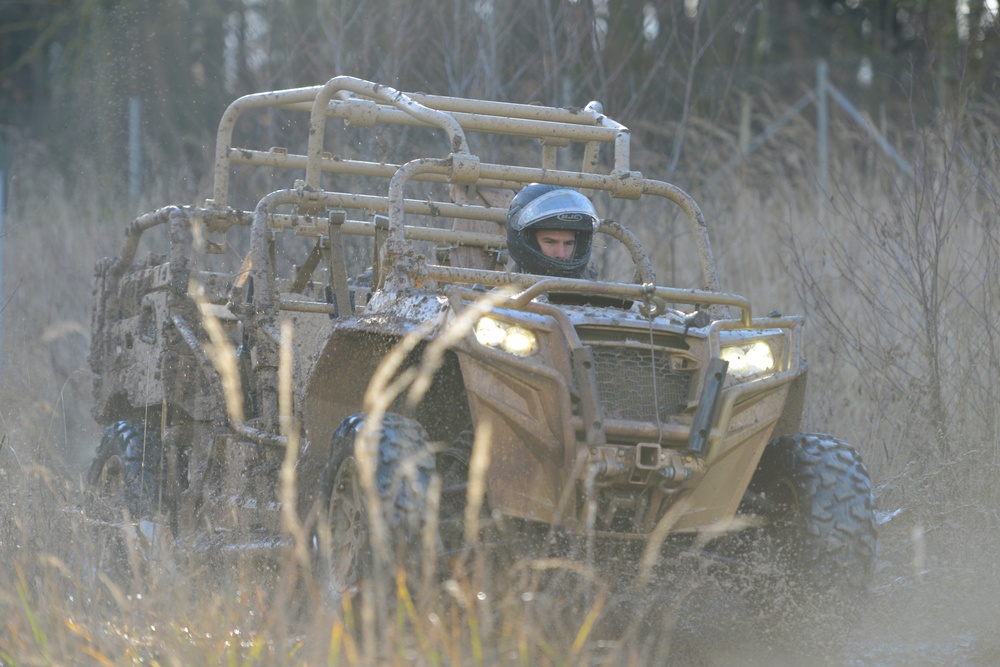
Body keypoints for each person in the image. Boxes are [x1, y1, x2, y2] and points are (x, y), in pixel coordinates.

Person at [505, 183, 599, 279]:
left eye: (568, 243)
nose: (561, 254)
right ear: (527, 240)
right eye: (550, 242)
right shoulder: (502, 291)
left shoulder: (596, 291)